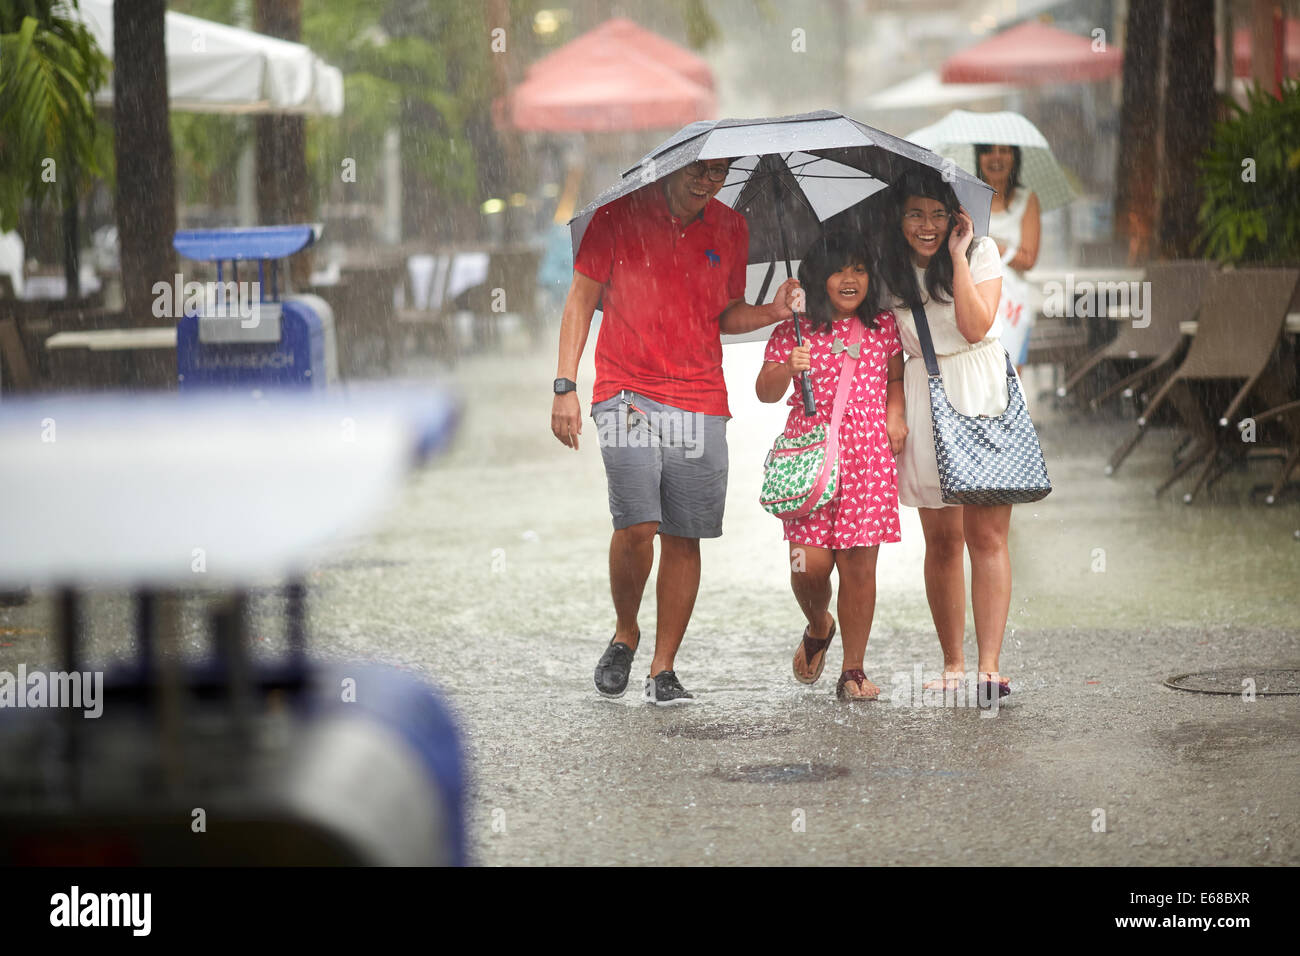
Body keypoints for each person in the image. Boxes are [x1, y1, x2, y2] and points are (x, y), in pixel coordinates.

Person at [551, 158, 800, 706]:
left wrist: (772, 311)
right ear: (673, 165)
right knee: (638, 523)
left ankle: (663, 669)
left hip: (698, 395)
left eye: (719, 174)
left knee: (684, 534)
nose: (707, 183)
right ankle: (625, 631)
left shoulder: (731, 228)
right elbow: (580, 300)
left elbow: (726, 314)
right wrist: (564, 384)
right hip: (626, 390)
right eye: (699, 170)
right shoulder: (616, 215)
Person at [878, 169, 1014, 704]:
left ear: (956, 216)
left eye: (938, 213)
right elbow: (890, 354)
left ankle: (989, 667)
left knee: (987, 536)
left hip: (981, 392)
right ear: (898, 217)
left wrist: (956, 256)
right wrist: (893, 411)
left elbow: (977, 325)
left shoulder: (981, 251)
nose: (927, 225)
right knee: (941, 541)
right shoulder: (888, 270)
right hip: (923, 395)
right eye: (915, 213)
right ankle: (954, 664)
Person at [756, 233, 906, 701]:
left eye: (859, 270)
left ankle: (853, 670)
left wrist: (895, 414)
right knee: (808, 566)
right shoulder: (792, 331)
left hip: (868, 460)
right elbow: (764, 390)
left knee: (860, 567)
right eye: (839, 270)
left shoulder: (883, 327)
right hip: (811, 462)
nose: (849, 279)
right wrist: (788, 369)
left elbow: (896, 377)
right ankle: (819, 623)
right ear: (820, 279)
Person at [976, 144, 1040, 373]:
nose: (996, 157)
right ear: (979, 156)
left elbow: (1029, 258)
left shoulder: (1027, 200)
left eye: (1004, 151)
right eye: (988, 150)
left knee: (1010, 380)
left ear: (1014, 157)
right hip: (976, 301)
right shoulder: (968, 197)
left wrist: (993, 245)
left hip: (1014, 304)